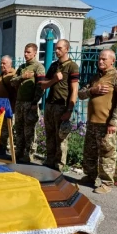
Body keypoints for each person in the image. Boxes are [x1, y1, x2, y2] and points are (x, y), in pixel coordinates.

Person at [78, 49, 117, 194]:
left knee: (107, 153)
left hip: (106, 124)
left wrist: (114, 122)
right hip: (92, 122)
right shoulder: (95, 78)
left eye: (104, 59)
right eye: (99, 59)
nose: (100, 61)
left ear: (113, 61)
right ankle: (90, 176)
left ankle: (106, 183)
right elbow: (81, 94)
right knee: (90, 152)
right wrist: (93, 90)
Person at [41, 39, 79, 171]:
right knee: (50, 135)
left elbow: (74, 90)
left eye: (59, 48)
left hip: (62, 105)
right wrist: (54, 80)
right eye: (56, 48)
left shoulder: (72, 66)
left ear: (67, 49)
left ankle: (59, 166)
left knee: (61, 137)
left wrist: (69, 109)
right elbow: (43, 85)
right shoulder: (53, 66)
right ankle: (49, 161)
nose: (56, 51)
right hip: (50, 104)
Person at [10, 44, 46, 163]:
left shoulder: (38, 67)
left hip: (31, 103)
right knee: (19, 128)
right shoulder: (22, 68)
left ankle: (29, 154)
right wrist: (22, 77)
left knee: (29, 130)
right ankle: (18, 151)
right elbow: (12, 82)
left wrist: (35, 102)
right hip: (20, 103)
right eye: (25, 52)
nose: (26, 54)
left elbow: (41, 87)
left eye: (29, 52)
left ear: (35, 53)